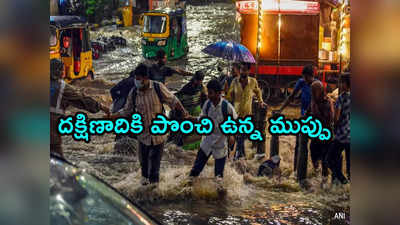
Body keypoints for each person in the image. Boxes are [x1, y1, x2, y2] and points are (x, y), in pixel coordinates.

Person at [111, 63, 188, 186]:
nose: (136, 81)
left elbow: (173, 100)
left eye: (138, 79)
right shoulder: (134, 93)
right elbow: (127, 110)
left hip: (158, 135)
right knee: (144, 168)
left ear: (146, 78)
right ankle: (145, 190)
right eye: (136, 78)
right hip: (143, 135)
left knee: (154, 169)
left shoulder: (158, 88)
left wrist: (184, 113)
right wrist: (112, 116)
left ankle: (154, 193)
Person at [50, 59, 110, 158]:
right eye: (63, 70)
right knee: (58, 164)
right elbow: (82, 99)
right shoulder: (62, 87)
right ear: (60, 72)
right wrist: (101, 107)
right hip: (51, 133)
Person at [188, 79, 237, 184]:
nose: (208, 95)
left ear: (219, 93)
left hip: (220, 144)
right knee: (195, 171)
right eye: (208, 92)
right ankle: (188, 191)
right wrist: (191, 118)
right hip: (206, 142)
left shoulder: (227, 107)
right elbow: (202, 119)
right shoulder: (207, 104)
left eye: (210, 93)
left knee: (218, 178)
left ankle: (219, 197)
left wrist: (232, 136)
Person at [277, 64, 316, 188]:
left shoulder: (317, 85)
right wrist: (280, 109)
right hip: (303, 117)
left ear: (312, 76)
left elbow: (317, 103)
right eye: (303, 77)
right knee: (299, 144)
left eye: (306, 78)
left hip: (314, 118)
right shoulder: (301, 82)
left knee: (315, 147)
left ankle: (315, 173)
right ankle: (296, 171)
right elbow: (292, 96)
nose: (305, 80)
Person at [226, 64, 267, 160]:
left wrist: (260, 101)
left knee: (242, 136)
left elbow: (258, 91)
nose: (242, 72)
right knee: (239, 136)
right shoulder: (234, 81)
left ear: (248, 71)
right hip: (236, 113)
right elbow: (229, 97)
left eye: (244, 70)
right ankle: (239, 155)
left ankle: (239, 155)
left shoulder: (253, 81)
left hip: (247, 114)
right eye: (241, 70)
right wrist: (227, 91)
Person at [171, 70, 207, 146]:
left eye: (200, 80)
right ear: (195, 79)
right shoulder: (187, 88)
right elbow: (177, 101)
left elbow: (204, 100)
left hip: (195, 112)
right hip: (186, 112)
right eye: (198, 80)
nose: (199, 82)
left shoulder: (201, 87)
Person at [327, 73, 351, 185]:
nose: (340, 84)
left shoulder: (341, 98)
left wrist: (334, 125)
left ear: (347, 84)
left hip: (342, 135)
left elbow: (336, 118)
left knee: (330, 159)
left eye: (342, 82)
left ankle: (341, 179)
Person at [310, 80, 334, 183]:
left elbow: (327, 120)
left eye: (314, 91)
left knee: (325, 160)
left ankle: (324, 183)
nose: (313, 93)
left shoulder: (326, 102)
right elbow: (308, 113)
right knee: (314, 153)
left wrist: (315, 112)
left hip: (325, 134)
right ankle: (316, 176)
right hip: (316, 134)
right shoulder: (314, 101)